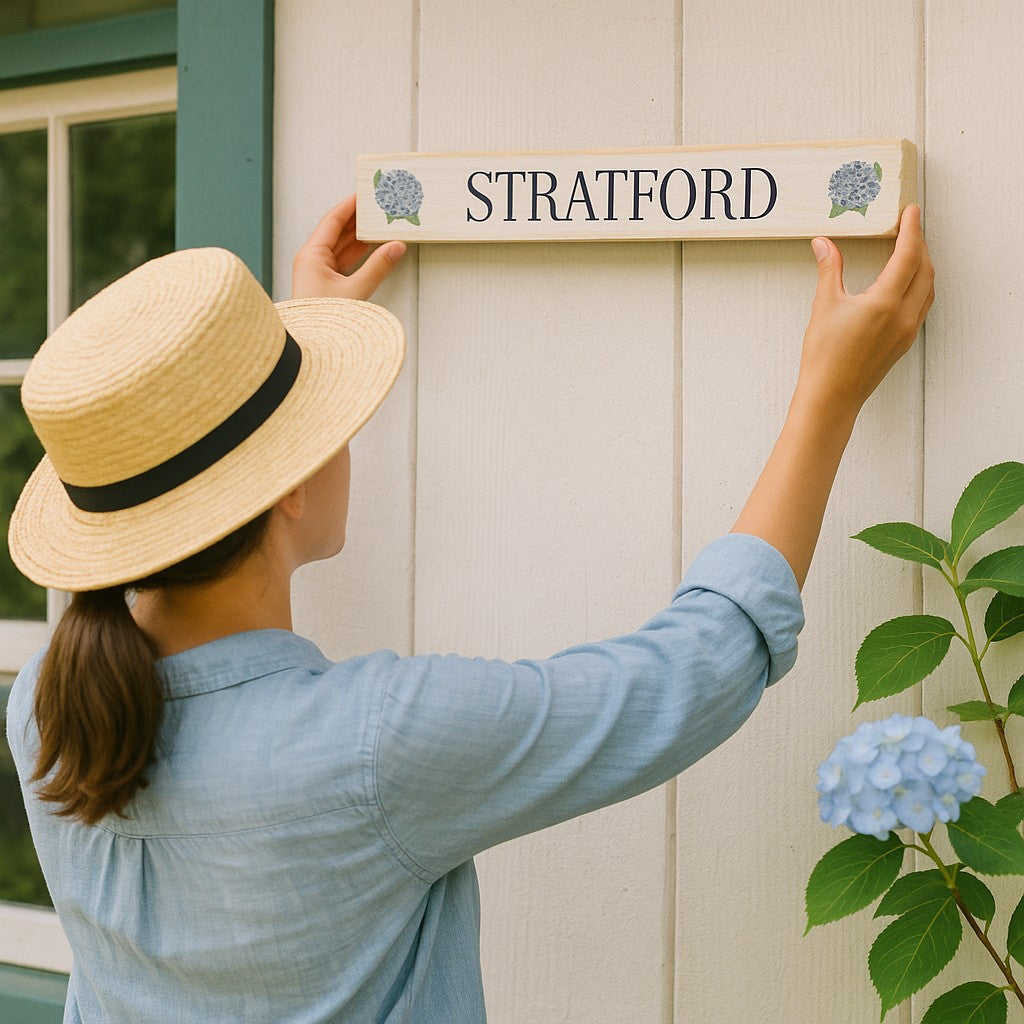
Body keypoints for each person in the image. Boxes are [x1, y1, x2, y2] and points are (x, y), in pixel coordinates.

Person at [6, 194, 933, 1023]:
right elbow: (694, 671)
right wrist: (827, 397)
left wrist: (293, 350)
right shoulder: (376, 744)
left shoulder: (50, 702)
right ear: (287, 488)